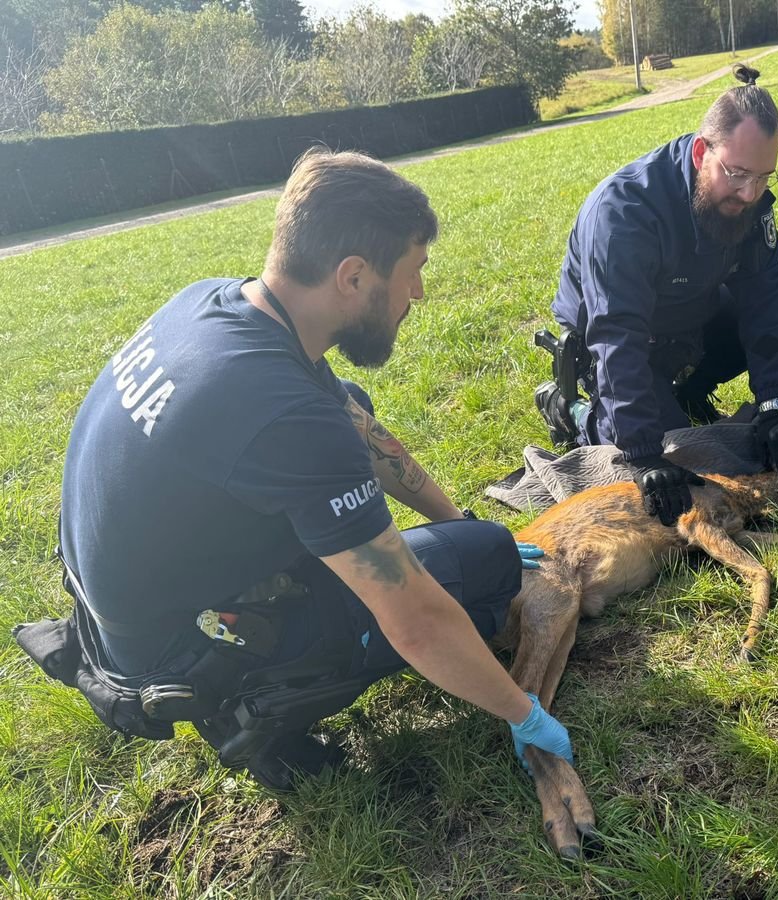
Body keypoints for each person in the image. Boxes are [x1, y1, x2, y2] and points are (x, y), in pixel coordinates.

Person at [52, 147, 571, 790]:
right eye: (410, 273)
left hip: (114, 609)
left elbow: (353, 425)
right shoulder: (287, 420)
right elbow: (414, 619)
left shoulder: (217, 302)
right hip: (184, 651)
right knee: (487, 560)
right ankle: (256, 714)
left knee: (351, 406)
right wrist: (526, 715)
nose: (418, 293)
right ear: (352, 276)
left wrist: (453, 518)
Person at [536, 65, 778, 527]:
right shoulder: (624, 213)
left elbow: (765, 298)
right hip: (619, 344)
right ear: (701, 151)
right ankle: (573, 409)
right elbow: (615, 334)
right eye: (738, 173)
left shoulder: (746, 198)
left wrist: (775, 404)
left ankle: (686, 390)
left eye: (765, 177)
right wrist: (642, 455)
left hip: (686, 320)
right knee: (671, 446)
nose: (750, 193)